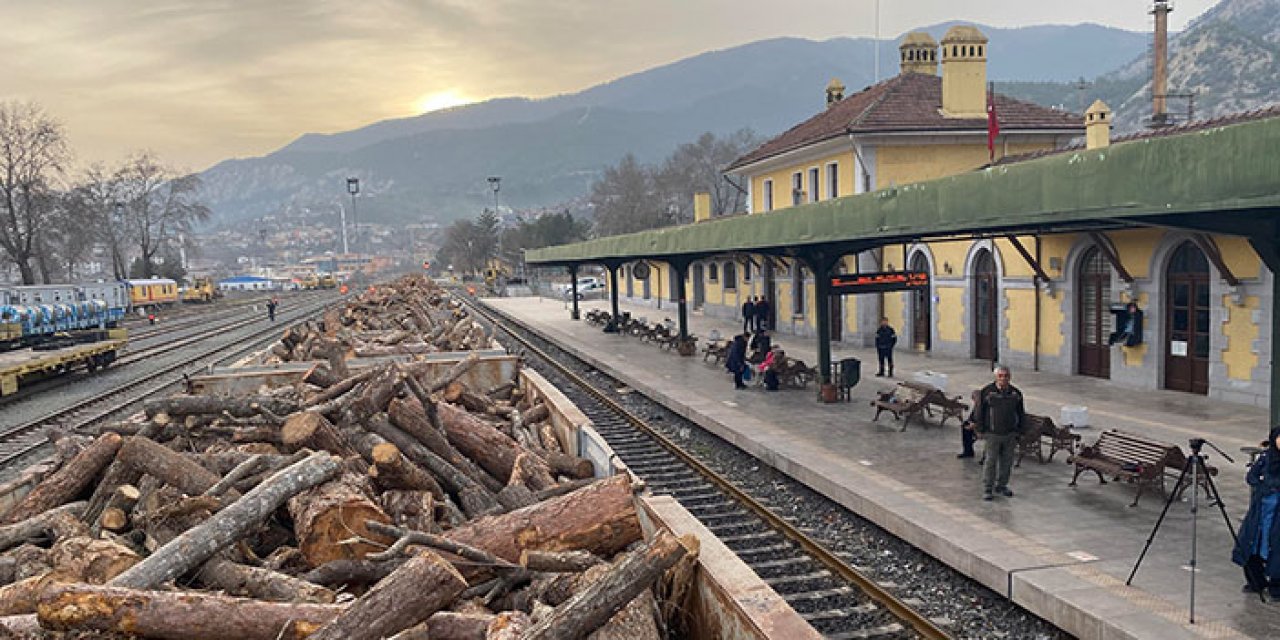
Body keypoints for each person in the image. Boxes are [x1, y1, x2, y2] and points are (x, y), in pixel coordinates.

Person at [1233, 426, 1280, 598]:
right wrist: (1263, 486)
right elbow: (1251, 477)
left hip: (1277, 513)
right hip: (1261, 510)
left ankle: (1276, 585)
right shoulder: (1266, 458)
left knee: (1275, 546)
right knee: (1252, 543)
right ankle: (1256, 581)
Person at [971, 364, 1026, 500]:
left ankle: (1002, 485)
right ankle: (988, 488)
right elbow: (979, 411)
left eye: (1006, 376)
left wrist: (1020, 430)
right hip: (992, 434)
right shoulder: (988, 392)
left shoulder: (1015, 394)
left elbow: (1020, 413)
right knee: (990, 461)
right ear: (996, 377)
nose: (1003, 379)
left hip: (1010, 434)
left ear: (1010, 377)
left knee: (1007, 462)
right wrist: (979, 429)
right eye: (1000, 376)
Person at [959, 389, 981, 459]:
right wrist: (970, 422)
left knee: (967, 431)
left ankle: (968, 450)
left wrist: (974, 425)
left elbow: (983, 419)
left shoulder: (982, 406)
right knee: (965, 426)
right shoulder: (977, 405)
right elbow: (972, 416)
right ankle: (968, 450)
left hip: (981, 426)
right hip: (975, 424)